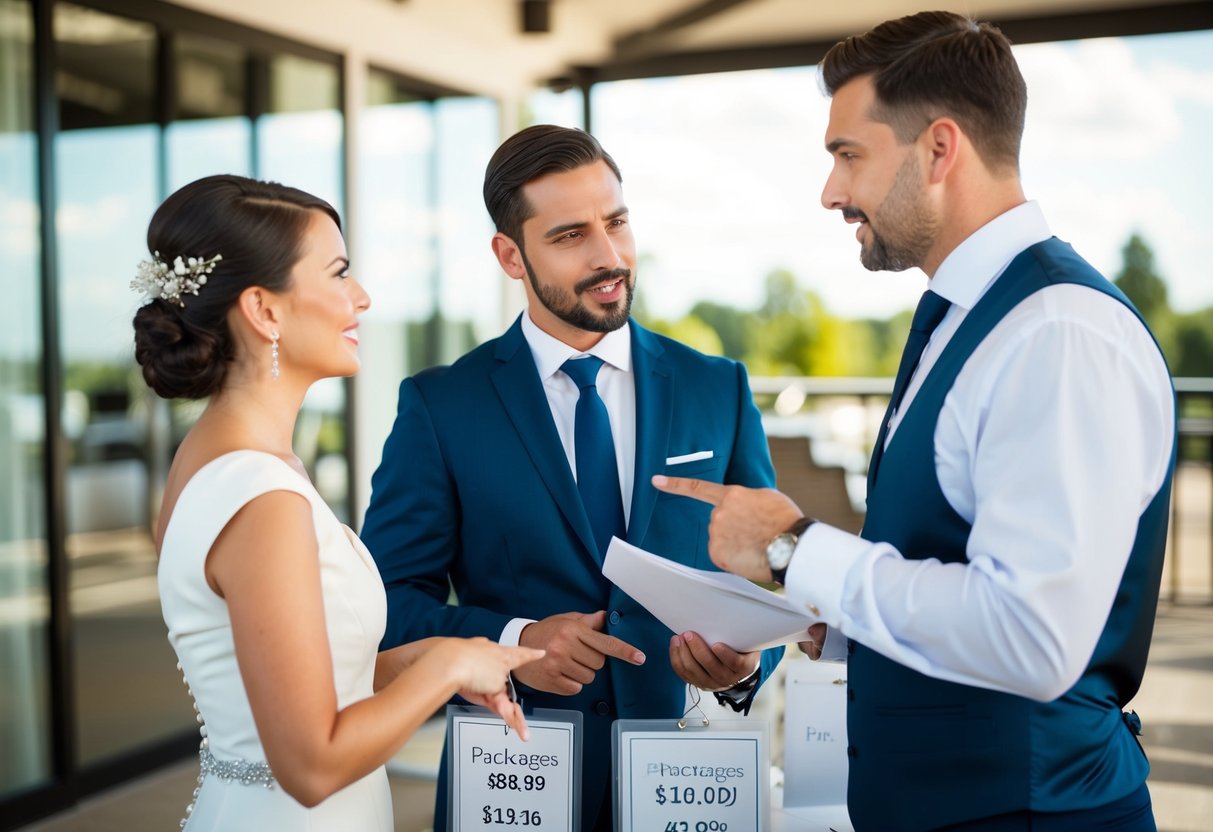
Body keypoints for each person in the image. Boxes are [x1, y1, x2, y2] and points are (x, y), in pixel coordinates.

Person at [654, 11, 1175, 832]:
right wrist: (819, 619)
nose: (830, 191)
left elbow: (1029, 637)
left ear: (938, 149)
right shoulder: (964, 320)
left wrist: (794, 551)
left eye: (846, 155)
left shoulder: (1056, 334)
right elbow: (954, 574)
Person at [360, 125, 782, 831]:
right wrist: (513, 641)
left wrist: (744, 668)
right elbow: (387, 606)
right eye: (570, 236)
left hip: (686, 784)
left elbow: (763, 577)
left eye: (616, 222)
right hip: (514, 783)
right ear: (510, 255)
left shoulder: (717, 388)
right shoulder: (441, 405)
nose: (608, 256)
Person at [134, 174, 542, 831]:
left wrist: (424, 666)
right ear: (265, 310)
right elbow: (311, 766)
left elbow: (286, 681)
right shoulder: (260, 497)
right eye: (338, 273)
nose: (362, 297)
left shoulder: (211, 462)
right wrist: (446, 662)